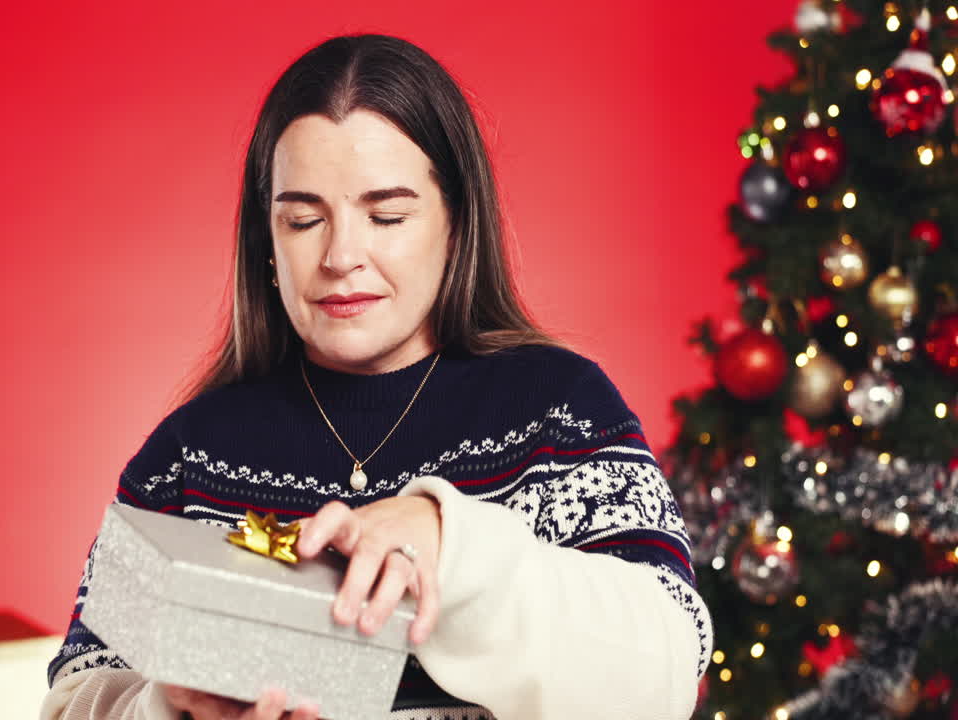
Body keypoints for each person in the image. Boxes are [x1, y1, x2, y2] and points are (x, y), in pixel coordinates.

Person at [40, 33, 712, 720]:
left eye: (386, 215)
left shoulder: (560, 411)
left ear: (455, 225)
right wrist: (170, 709)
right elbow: (71, 699)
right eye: (303, 220)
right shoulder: (182, 460)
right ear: (265, 242)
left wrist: (451, 546)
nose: (340, 255)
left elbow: (666, 666)